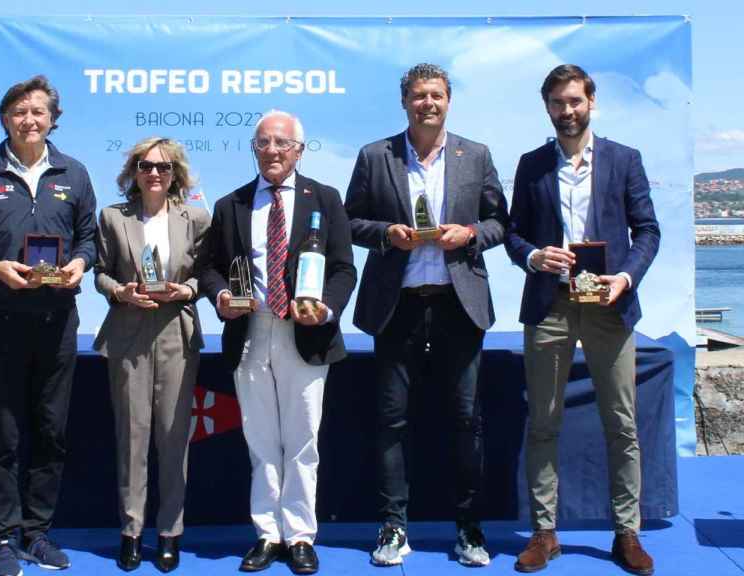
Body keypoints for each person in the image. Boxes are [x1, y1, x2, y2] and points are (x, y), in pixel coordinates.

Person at [343, 63, 508, 568]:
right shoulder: (376, 156)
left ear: (448, 101)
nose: (428, 103)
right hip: (400, 306)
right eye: (419, 95)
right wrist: (386, 234)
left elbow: (500, 220)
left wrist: (471, 236)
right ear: (405, 102)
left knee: (465, 421)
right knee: (392, 422)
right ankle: (393, 528)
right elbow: (350, 221)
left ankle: (468, 528)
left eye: (436, 95)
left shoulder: (475, 154)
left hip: (459, 306)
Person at [0, 75, 97, 576]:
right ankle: (4, 538)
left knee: (51, 431)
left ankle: (38, 533)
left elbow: (91, 238)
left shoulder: (75, 172)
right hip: (1, 321)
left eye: (39, 112)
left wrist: (81, 265)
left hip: (57, 322)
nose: (30, 120)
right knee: (3, 434)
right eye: (19, 112)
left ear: (53, 119)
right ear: (5, 119)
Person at [505, 64, 660, 575]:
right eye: (557, 103)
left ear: (591, 101)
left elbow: (648, 232)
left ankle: (626, 533)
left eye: (575, 101)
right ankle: (544, 533)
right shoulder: (530, 165)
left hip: (609, 306)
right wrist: (533, 257)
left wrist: (626, 278)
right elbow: (513, 234)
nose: (567, 111)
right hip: (549, 305)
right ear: (546, 106)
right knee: (544, 422)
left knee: (620, 423)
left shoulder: (625, 159)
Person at [200, 110, 356, 575]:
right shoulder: (232, 204)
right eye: (263, 143)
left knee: (302, 438)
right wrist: (222, 296)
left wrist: (325, 308)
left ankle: (301, 535)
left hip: (306, 333)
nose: (271, 151)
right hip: (252, 330)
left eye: (281, 144)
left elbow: (344, 269)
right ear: (254, 148)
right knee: (261, 439)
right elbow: (209, 267)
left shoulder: (324, 199)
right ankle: (268, 533)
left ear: (299, 150)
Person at [93, 137, 210, 572]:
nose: (154, 173)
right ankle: (131, 532)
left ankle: (169, 532)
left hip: (177, 333)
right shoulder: (112, 217)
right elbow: (100, 273)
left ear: (176, 172)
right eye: (146, 166)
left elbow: (206, 273)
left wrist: (190, 289)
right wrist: (120, 291)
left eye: (163, 167)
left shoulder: (195, 217)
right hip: (128, 334)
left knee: (173, 438)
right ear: (134, 171)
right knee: (132, 437)